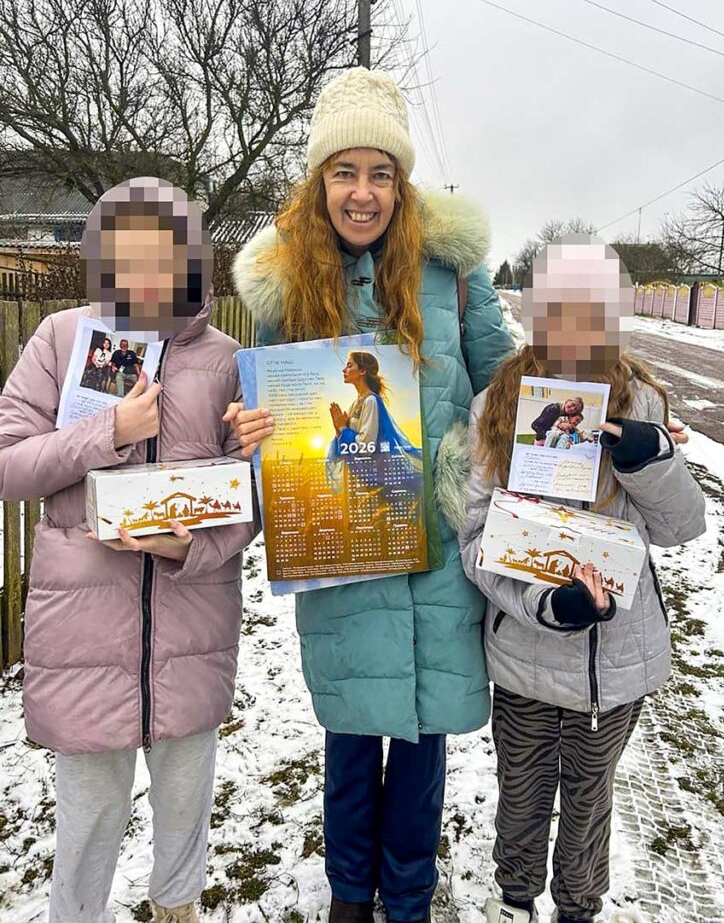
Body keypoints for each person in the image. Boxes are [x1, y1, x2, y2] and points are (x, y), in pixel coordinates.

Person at [226, 67, 512, 923]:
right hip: (343, 543)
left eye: (380, 174)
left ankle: (410, 893)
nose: (362, 193)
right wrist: (255, 436)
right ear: (321, 182)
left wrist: (614, 405)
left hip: (434, 546)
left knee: (422, 738)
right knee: (352, 734)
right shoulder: (288, 286)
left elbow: (508, 388)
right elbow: (271, 403)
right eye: (344, 173)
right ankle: (352, 893)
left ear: (402, 182)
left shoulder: (454, 275)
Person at [0, 177, 259, 923]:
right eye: (126, 256)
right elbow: (11, 464)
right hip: (84, 635)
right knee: (88, 816)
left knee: (186, 806)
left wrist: (193, 549)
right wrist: (106, 434)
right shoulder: (60, 340)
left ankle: (177, 909)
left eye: (163, 255)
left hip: (191, 628)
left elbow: (250, 501)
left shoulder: (226, 358)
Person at [457, 236, 706, 923]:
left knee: (590, 799)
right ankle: (514, 899)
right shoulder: (499, 406)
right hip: (526, 658)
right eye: (559, 311)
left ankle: (577, 907)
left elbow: (682, 528)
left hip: (616, 664)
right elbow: (477, 540)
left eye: (592, 311)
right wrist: (545, 603)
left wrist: (651, 461)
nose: (575, 330)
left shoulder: (644, 404)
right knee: (524, 791)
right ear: (536, 315)